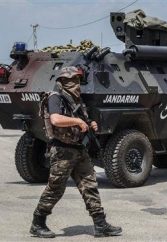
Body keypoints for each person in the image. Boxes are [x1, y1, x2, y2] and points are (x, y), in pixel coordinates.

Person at [30, 66, 122, 238]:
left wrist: (90, 123)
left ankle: (101, 225)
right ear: (64, 82)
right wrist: (78, 121)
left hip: (79, 149)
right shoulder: (55, 97)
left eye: (79, 80)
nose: (77, 84)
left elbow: (83, 121)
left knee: (90, 186)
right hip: (62, 151)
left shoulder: (76, 101)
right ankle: (38, 223)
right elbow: (56, 119)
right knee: (55, 188)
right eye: (73, 80)